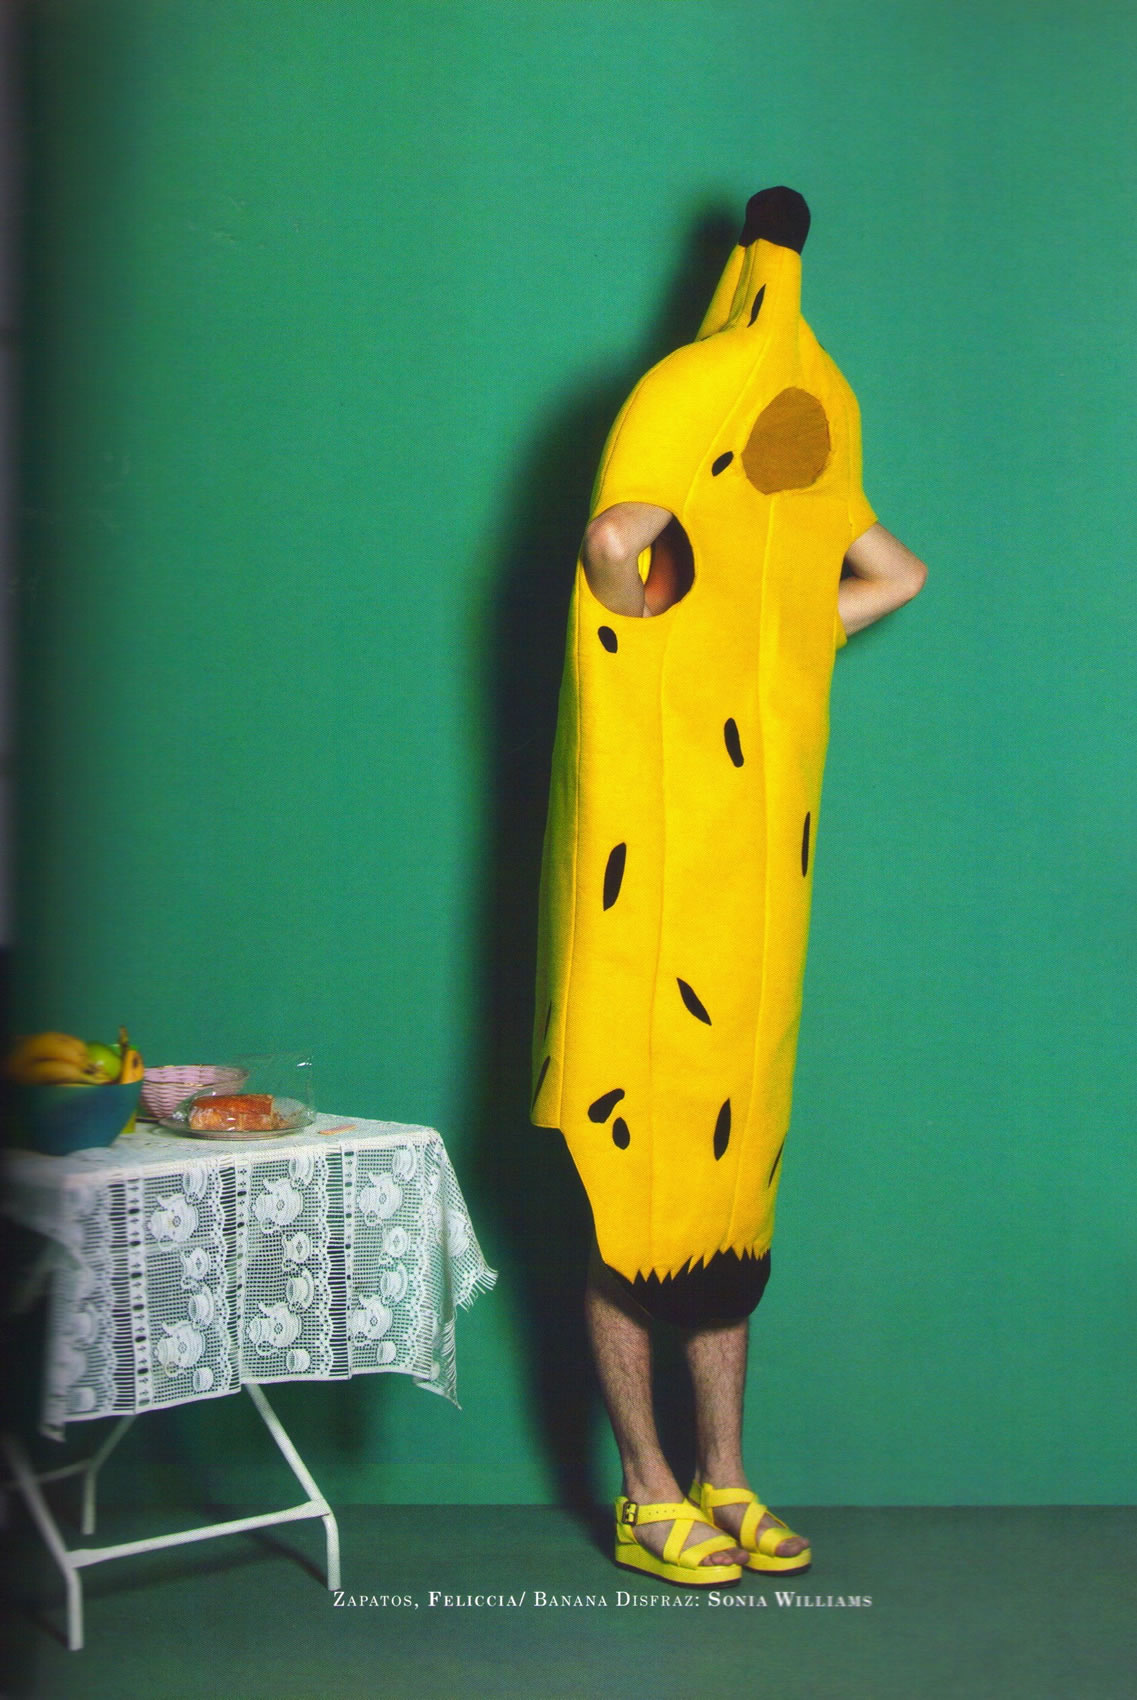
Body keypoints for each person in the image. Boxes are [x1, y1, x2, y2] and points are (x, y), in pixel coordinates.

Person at [532, 188, 926, 1584]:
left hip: (748, 921)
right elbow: (618, 545)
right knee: (630, 1210)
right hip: (634, 932)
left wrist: (775, 544)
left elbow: (887, 571)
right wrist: (660, 528)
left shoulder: (754, 602)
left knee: (727, 1219)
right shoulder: (640, 596)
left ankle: (728, 1477)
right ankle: (647, 1491)